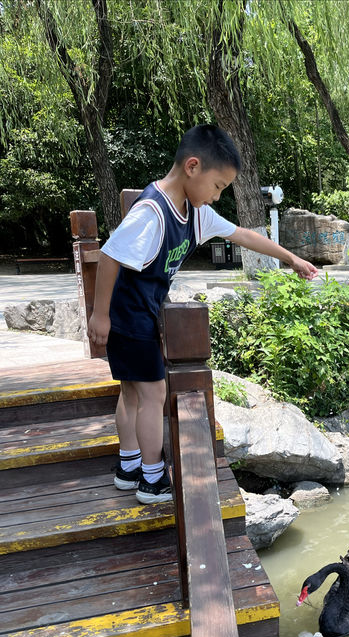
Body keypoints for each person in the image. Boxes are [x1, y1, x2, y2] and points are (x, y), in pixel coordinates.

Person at [88, 124, 317, 504]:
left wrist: (290, 258)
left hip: (136, 315)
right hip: (130, 318)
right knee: (152, 393)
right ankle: (151, 479)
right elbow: (110, 256)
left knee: (132, 393)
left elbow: (243, 235)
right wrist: (100, 317)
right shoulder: (152, 211)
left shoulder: (196, 214)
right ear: (192, 167)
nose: (217, 196)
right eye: (218, 186)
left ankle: (128, 467)